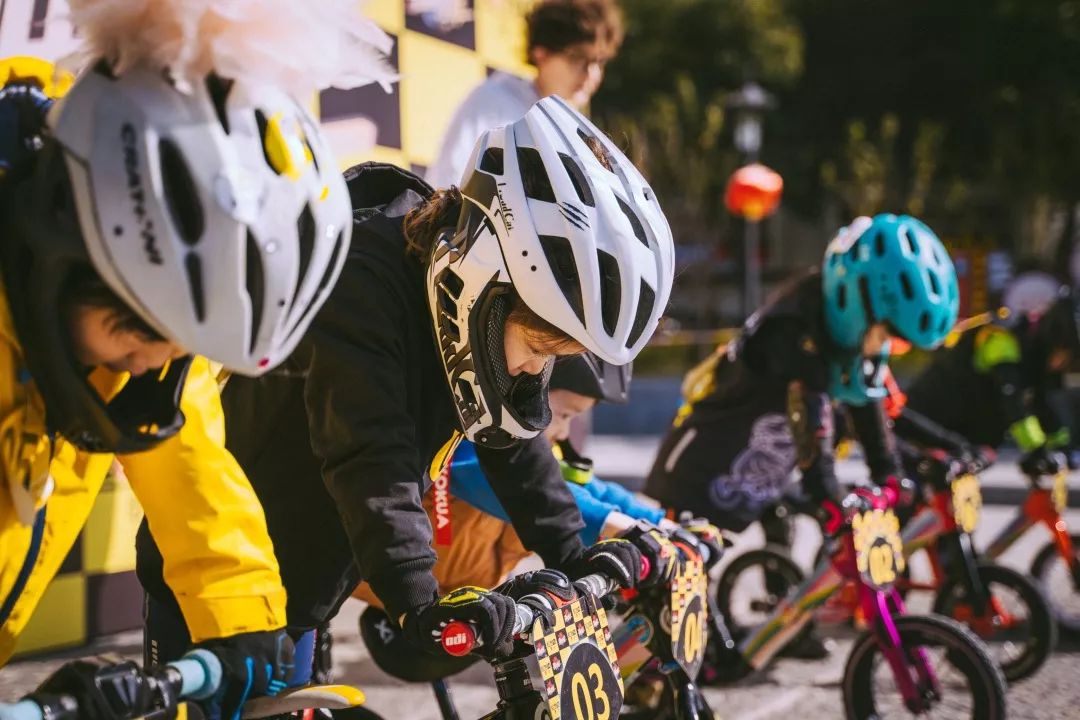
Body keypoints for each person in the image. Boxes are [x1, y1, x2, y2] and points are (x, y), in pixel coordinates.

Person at [138, 96, 676, 669]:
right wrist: (420, 602)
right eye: (541, 349)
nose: (533, 371)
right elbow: (371, 454)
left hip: (308, 583)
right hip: (214, 582)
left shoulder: (459, 292)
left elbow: (509, 437)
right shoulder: (361, 281)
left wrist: (573, 552)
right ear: (493, 279)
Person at [0, 2, 393, 717]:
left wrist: (244, 626)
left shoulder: (139, 350)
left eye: (185, 348)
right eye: (136, 329)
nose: (149, 365)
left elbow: (192, 469)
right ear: (56, 252)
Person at [425, 0, 623, 189]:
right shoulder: (492, 101)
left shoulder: (578, 129)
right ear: (541, 53)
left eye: (599, 62)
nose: (591, 73)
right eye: (577, 58)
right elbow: (447, 182)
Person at [889, 289, 1078, 480]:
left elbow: (1041, 404)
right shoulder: (1002, 339)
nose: (1061, 365)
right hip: (932, 422)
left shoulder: (1037, 359)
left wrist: (1062, 447)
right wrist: (1037, 448)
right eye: (1066, 356)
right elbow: (1013, 400)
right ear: (1053, 339)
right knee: (916, 490)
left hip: (965, 436)